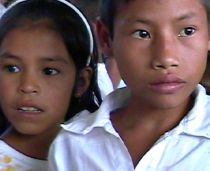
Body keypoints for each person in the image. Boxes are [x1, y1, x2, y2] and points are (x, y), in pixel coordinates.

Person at [48, 0, 210, 170]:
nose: (165, 59)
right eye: (142, 33)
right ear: (106, 39)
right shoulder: (71, 146)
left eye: (187, 31)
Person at [0, 0, 101, 170]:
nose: (27, 86)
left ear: (80, 82)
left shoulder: (98, 159)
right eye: (12, 68)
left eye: (49, 71)